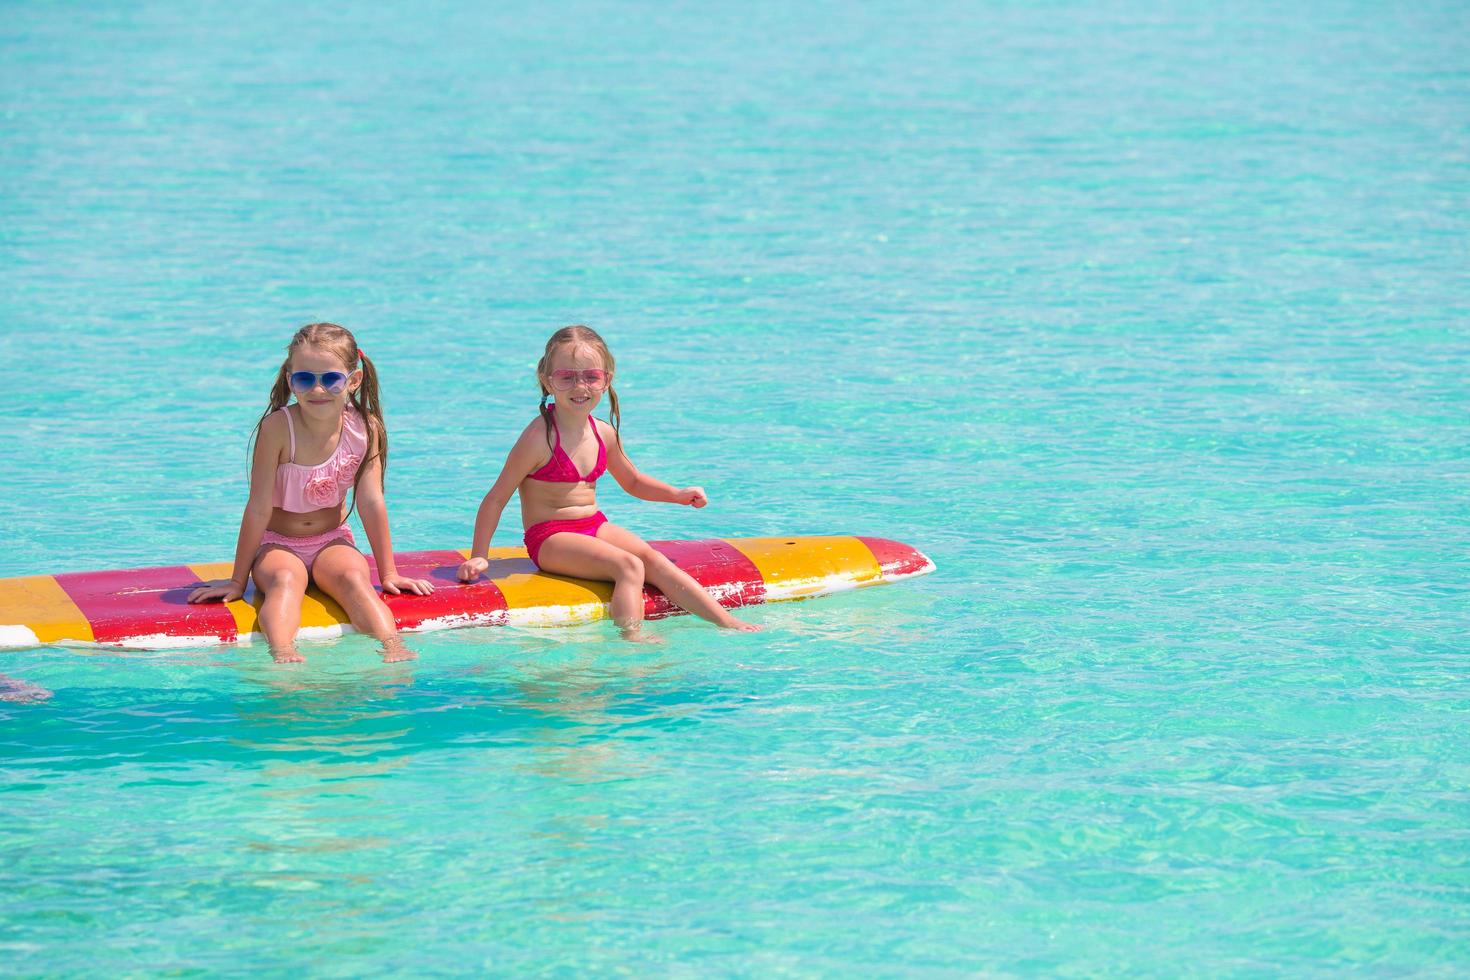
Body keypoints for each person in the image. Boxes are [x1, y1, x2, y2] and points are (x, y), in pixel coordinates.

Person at [457, 325, 759, 642]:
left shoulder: (603, 433)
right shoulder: (537, 439)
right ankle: (631, 636)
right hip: (550, 538)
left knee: (654, 561)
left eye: (591, 377)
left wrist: (677, 494)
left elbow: (633, 481)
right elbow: (495, 499)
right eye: (566, 377)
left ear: (607, 380)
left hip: (594, 525)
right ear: (547, 381)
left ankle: (725, 621)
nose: (580, 386)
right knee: (628, 566)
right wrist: (479, 555)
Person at [189, 323, 432, 662]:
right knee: (286, 580)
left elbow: (371, 501)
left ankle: (393, 649)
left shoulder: (365, 428)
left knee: (353, 579)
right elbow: (258, 507)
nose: (318, 389)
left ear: (353, 380)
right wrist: (236, 580)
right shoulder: (277, 429)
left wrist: (388, 573)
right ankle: (283, 653)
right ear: (290, 380)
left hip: (332, 540)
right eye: (305, 379)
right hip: (277, 544)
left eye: (330, 379)